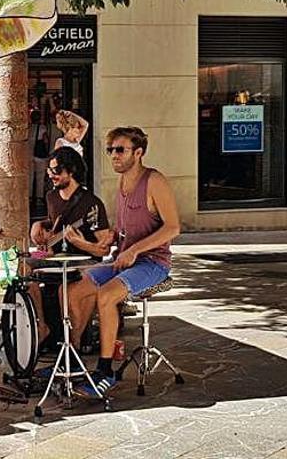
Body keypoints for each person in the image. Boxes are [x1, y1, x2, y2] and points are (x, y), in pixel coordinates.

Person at [67, 126, 181, 397]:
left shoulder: (154, 181)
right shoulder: (121, 183)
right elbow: (125, 227)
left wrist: (134, 250)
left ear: (138, 152)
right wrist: (113, 239)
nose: (114, 155)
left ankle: (105, 372)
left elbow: (173, 227)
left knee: (106, 296)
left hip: (153, 263)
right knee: (73, 289)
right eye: (110, 150)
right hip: (125, 259)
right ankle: (72, 357)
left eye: (120, 150)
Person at [28, 146, 113, 345]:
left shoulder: (92, 204)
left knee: (66, 290)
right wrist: (38, 225)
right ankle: (41, 326)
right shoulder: (51, 197)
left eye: (56, 171)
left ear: (71, 171)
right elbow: (55, 224)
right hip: (53, 255)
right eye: (49, 170)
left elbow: (104, 249)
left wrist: (79, 242)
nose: (51, 176)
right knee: (24, 266)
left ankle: (72, 343)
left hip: (84, 260)